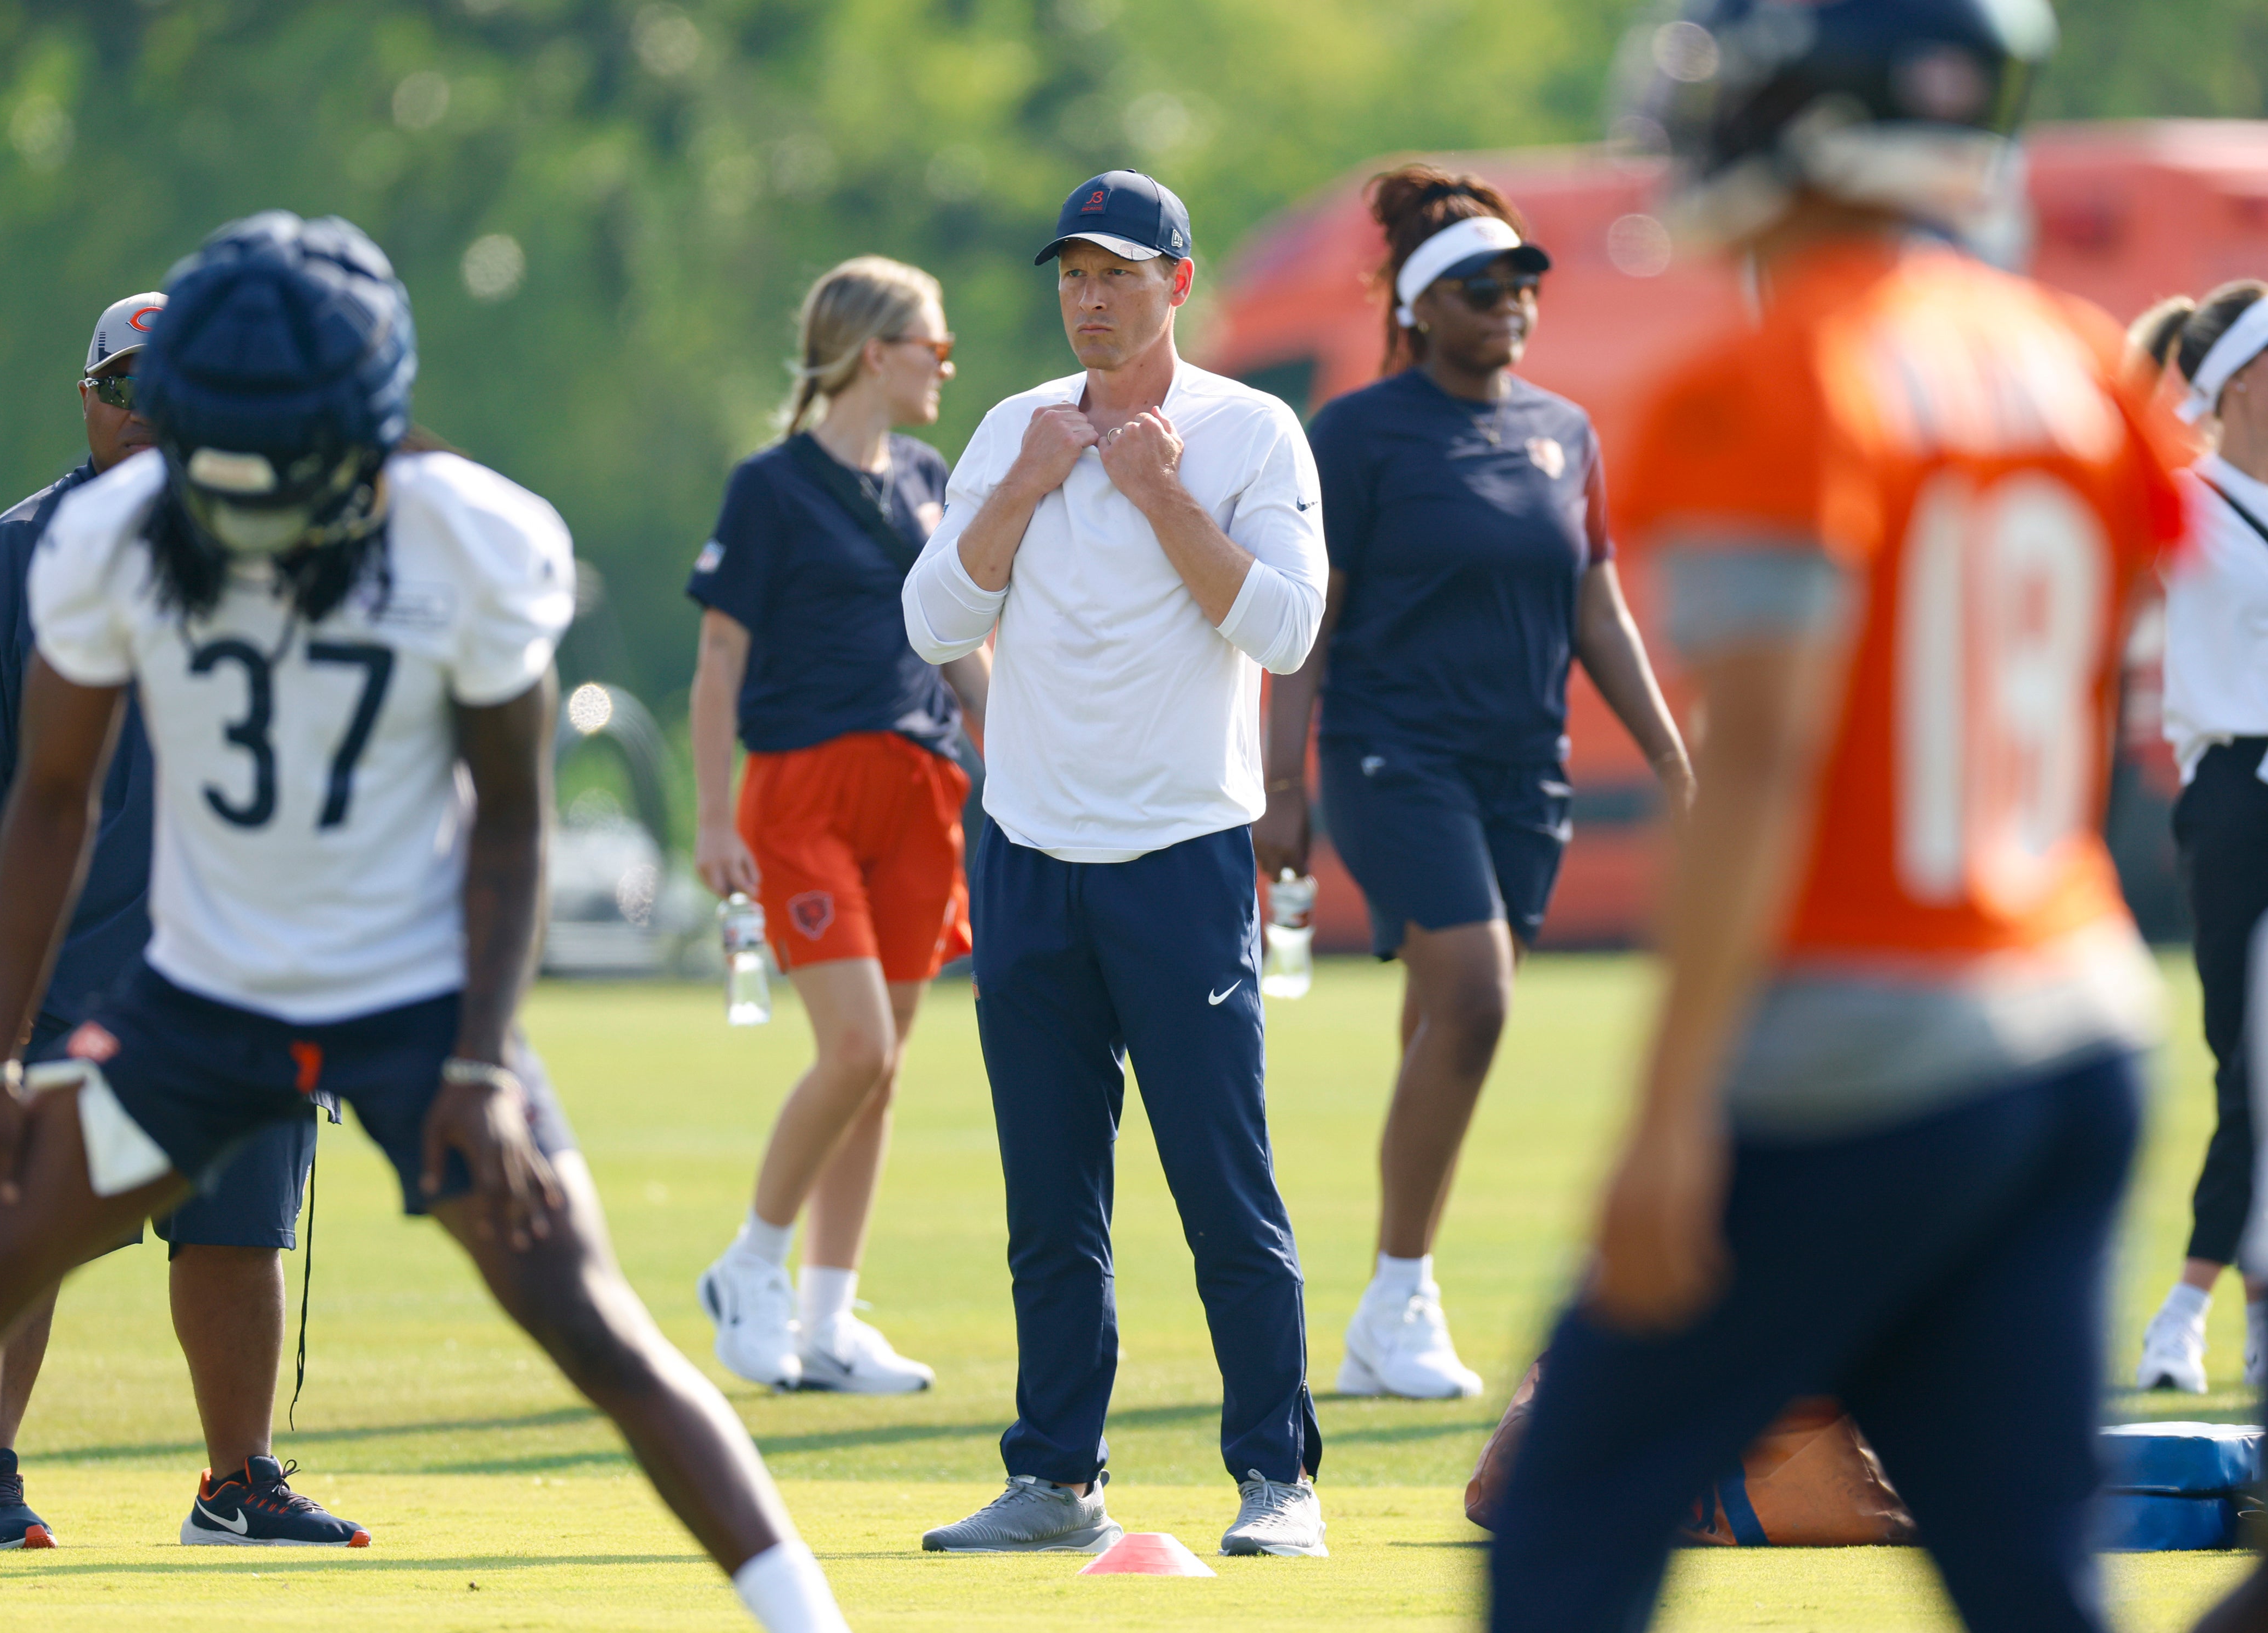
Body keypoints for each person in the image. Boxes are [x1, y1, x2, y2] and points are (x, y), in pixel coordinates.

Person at [0, 213, 847, 1633]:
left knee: (586, 1320)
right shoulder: (96, 540)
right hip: (200, 999)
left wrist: (475, 1065)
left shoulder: (474, 533)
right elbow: (53, 805)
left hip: (410, 993)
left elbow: (508, 819)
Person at [1488, 3, 2183, 1630]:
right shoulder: (2068, 351)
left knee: (1569, 1522)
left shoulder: (1780, 371)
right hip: (2074, 1022)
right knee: (2024, 1573)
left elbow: (1768, 769)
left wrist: (1669, 1114)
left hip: (1865, 1040)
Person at [0, 293, 358, 1551]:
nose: (156, 412)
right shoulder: (14, 558)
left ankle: (234, 1484)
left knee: (239, 1231)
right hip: (59, 964)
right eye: (131, 387)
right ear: (90, 399)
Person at [904, 170, 1330, 1559]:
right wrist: (1026, 484)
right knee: (1050, 1202)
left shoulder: (1249, 429)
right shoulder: (1011, 430)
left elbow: (1281, 630)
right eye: (1074, 277)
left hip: (1180, 859)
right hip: (1028, 853)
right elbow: (930, 617)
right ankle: (1053, 1479)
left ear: (1177, 285)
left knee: (1225, 1188)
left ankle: (1279, 1480)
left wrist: (1160, 500)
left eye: (1119, 276)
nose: (1091, 299)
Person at [1257, 167, 1692, 1400]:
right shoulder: (1357, 430)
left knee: (1440, 1017)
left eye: (1519, 285)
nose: (1508, 303)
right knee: (1480, 1000)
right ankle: (1402, 1294)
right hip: (1396, 756)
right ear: (1419, 308)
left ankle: (1390, 1310)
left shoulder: (1566, 429)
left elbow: (1595, 600)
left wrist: (1669, 755)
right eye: (1478, 288)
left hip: (1523, 771)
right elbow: (1312, 619)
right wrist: (1280, 783)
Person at [689, 256, 987, 1394]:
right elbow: (720, 661)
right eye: (935, 347)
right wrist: (714, 818)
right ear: (878, 353)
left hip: (923, 786)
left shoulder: (927, 475)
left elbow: (958, 638)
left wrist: (1010, 750)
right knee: (854, 1044)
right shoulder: (768, 488)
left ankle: (828, 1318)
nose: (945, 367)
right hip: (805, 788)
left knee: (886, 1065)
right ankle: (750, 1268)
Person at [2128, 280, 2268, 1394]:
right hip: (2235, 794)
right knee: (2247, 1065)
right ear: (2238, 385)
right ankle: (2184, 1311)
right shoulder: (2181, 502)